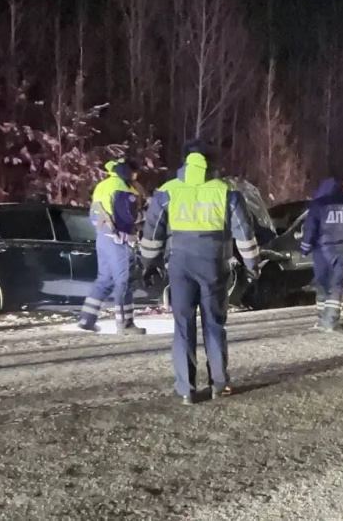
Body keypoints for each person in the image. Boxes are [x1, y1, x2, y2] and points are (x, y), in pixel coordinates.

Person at [140, 147, 260, 405]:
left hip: (180, 265)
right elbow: (244, 232)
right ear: (210, 165)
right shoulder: (226, 191)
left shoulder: (168, 191)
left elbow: (152, 233)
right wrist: (252, 264)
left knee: (183, 326)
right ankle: (219, 384)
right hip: (214, 264)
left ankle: (186, 389)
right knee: (214, 325)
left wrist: (148, 264)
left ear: (184, 163)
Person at [78, 160, 147, 336]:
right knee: (124, 282)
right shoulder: (122, 188)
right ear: (127, 171)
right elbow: (127, 217)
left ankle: (87, 319)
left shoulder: (103, 185)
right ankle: (125, 324)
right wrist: (146, 214)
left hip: (103, 238)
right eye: (134, 172)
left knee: (104, 280)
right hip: (119, 240)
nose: (136, 176)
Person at [300, 175, 343, 332]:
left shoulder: (318, 205)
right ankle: (331, 321)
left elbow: (310, 228)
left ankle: (322, 319)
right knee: (336, 285)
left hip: (321, 250)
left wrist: (305, 247)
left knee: (322, 283)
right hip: (342, 250)